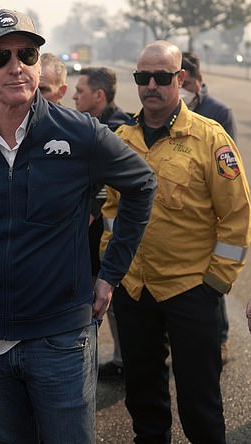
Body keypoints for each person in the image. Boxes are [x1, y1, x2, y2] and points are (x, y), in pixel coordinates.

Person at [0, 9, 156, 442]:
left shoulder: (81, 134)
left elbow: (142, 185)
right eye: (0, 56)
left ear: (39, 63)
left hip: (60, 338)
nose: (16, 65)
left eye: (27, 53)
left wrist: (110, 275)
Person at [101, 40, 251, 444]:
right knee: (143, 398)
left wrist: (214, 285)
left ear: (180, 79)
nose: (151, 85)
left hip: (190, 291)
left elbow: (237, 218)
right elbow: (111, 208)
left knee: (200, 403)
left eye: (162, 77)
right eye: (142, 77)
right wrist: (112, 262)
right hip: (135, 290)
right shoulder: (123, 138)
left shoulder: (210, 138)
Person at [73, 66, 133, 381]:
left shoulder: (120, 128)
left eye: (80, 91)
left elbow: (113, 182)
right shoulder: (88, 124)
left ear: (98, 95)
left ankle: (125, 361)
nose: (73, 95)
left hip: (109, 233)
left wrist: (91, 208)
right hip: (96, 233)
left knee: (114, 300)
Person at [181, 51, 238, 363]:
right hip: (184, 208)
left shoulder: (220, 112)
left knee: (214, 280)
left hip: (212, 207)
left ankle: (222, 338)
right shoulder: (168, 109)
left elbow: (228, 165)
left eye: (187, 83)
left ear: (198, 82)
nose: (181, 89)